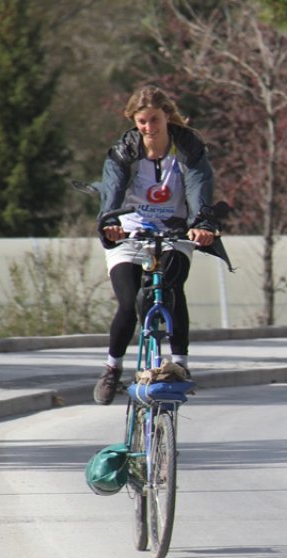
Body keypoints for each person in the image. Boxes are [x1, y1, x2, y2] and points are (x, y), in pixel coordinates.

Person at [93, 85, 219, 405]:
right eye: (143, 121)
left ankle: (181, 365)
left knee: (173, 290)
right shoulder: (124, 151)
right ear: (133, 120)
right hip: (131, 234)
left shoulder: (188, 147)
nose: (149, 128)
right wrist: (110, 222)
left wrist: (203, 224)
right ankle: (112, 369)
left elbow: (198, 187)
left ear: (167, 117)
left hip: (174, 234)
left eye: (155, 120)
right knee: (127, 301)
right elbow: (112, 191)